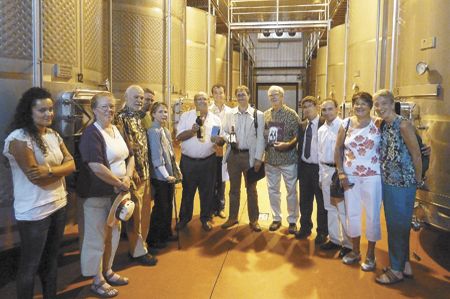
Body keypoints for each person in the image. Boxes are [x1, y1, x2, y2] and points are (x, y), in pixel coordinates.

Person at [3, 87, 75, 299]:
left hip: (58, 204)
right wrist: (55, 171)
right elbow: (36, 177)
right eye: (42, 110)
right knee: (30, 265)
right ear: (29, 111)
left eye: (51, 109)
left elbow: (72, 164)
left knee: (52, 260)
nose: (49, 114)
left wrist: (50, 170)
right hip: (34, 211)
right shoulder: (19, 138)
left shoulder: (53, 134)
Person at [77, 92, 135, 297]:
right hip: (97, 194)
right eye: (104, 107)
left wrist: (127, 178)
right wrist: (119, 183)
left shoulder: (116, 129)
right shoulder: (91, 133)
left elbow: (131, 156)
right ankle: (96, 279)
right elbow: (96, 166)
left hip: (117, 193)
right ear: (93, 109)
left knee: (113, 233)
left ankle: (108, 270)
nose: (109, 110)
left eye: (112, 106)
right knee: (96, 237)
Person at [373, 90, 422, 284]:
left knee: (397, 227)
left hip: (402, 184)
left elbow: (417, 154)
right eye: (377, 104)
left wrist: (417, 182)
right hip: (389, 182)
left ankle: (396, 270)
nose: (380, 108)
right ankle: (405, 264)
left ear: (392, 103)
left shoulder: (403, 124)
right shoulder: (384, 125)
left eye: (383, 103)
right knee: (398, 226)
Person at [334, 92, 382, 272]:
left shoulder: (378, 123)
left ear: (370, 106)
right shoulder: (345, 124)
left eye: (363, 104)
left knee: (372, 214)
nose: (359, 107)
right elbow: (338, 148)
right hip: (350, 176)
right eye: (356, 103)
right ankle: (355, 251)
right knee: (352, 213)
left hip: (373, 176)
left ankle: (370, 254)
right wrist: (340, 173)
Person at [115, 85, 157, 265]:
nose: (140, 100)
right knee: (136, 216)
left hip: (146, 172)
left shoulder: (141, 117)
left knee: (145, 212)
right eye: (136, 97)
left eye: (142, 98)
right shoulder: (121, 118)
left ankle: (142, 245)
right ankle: (137, 251)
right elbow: (124, 149)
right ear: (126, 96)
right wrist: (131, 172)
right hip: (134, 175)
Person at [220, 86, 265, 232]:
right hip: (233, 155)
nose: (240, 97)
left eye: (243, 94)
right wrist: (230, 139)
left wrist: (258, 158)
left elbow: (260, 139)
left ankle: (254, 220)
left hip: (250, 157)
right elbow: (225, 131)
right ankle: (232, 217)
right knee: (233, 189)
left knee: (251, 189)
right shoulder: (230, 114)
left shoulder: (258, 115)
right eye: (238, 95)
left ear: (249, 96)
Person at [176, 92, 222, 232]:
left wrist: (219, 140)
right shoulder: (186, 116)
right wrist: (192, 131)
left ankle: (205, 218)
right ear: (194, 102)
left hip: (209, 161)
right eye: (199, 99)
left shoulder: (215, 119)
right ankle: (184, 219)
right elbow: (179, 137)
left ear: (209, 101)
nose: (202, 101)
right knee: (188, 191)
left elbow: (215, 138)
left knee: (207, 192)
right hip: (188, 162)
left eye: (205, 99)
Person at [317, 99, 352, 256]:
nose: (327, 112)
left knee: (342, 209)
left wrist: (344, 173)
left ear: (337, 109)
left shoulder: (344, 127)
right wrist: (320, 175)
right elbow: (319, 154)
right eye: (324, 110)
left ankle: (348, 244)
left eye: (330, 109)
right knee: (329, 208)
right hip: (325, 171)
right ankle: (335, 240)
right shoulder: (321, 130)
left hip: (339, 172)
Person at [264, 85, 300, 233]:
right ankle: (276, 218)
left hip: (288, 160)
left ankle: (292, 220)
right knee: (273, 190)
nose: (273, 97)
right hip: (271, 159)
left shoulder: (292, 114)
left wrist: (288, 145)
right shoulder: (265, 115)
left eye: (276, 94)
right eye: (271, 95)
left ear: (282, 96)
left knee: (291, 191)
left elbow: (299, 135)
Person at [146, 102, 181, 248]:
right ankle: (154, 238)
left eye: (166, 112)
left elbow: (171, 154)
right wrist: (166, 175)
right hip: (161, 176)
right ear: (153, 114)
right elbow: (156, 157)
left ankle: (166, 233)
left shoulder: (165, 130)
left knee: (167, 206)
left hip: (169, 174)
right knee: (161, 207)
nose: (164, 115)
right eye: (160, 112)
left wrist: (176, 170)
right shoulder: (153, 132)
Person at [295, 96, 328, 244]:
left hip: (319, 169)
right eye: (304, 106)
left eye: (310, 106)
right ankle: (305, 227)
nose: (307, 109)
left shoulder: (324, 123)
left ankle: (322, 232)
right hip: (305, 168)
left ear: (317, 107)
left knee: (321, 203)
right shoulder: (302, 125)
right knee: (305, 201)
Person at [209, 84, 232, 219]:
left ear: (225, 94)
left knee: (222, 179)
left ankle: (221, 207)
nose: (218, 95)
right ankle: (212, 208)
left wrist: (228, 141)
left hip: (226, 149)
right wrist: (216, 139)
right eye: (216, 93)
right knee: (212, 179)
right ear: (212, 95)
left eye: (221, 92)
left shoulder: (230, 111)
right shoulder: (209, 110)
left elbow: (232, 130)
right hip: (212, 149)